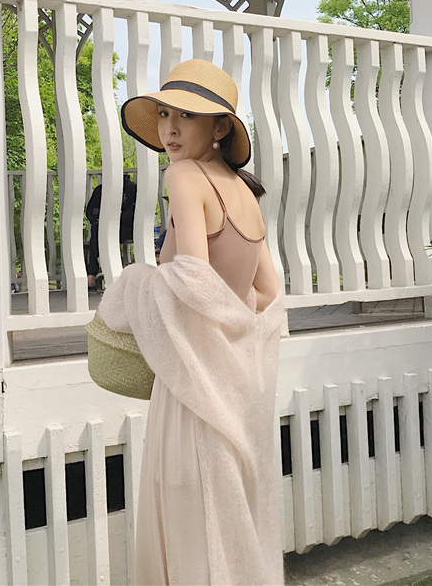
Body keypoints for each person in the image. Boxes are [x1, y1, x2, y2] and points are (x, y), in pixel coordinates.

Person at [116, 58, 283, 584]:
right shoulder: (244, 191)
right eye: (165, 114)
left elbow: (191, 277)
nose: (170, 128)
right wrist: (231, 331)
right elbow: (268, 292)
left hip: (193, 379)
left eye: (186, 116)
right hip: (236, 382)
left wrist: (134, 283)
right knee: (226, 512)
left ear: (220, 128)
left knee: (190, 508)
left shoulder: (185, 175)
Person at [86, 173, 137, 289]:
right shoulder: (100, 190)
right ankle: (102, 266)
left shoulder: (132, 189)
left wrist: (112, 219)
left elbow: (132, 213)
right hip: (103, 227)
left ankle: (95, 273)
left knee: (97, 234)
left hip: (125, 228)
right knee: (97, 230)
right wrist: (100, 218)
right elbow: (90, 211)